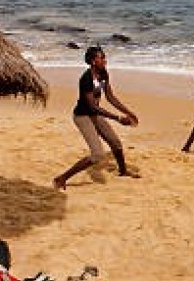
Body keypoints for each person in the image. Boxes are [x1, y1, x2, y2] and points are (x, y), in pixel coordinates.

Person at [54, 46, 140, 190]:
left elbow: (110, 97)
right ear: (94, 61)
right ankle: (61, 179)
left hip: (95, 114)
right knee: (98, 155)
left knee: (116, 144)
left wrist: (128, 112)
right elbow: (92, 107)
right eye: (102, 58)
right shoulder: (86, 78)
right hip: (82, 116)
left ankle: (123, 171)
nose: (105, 61)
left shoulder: (103, 74)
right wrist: (118, 118)